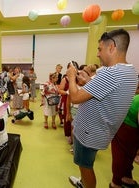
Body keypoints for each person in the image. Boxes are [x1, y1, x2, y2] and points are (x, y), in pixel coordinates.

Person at [68, 29, 137, 188]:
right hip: (101, 131)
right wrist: (88, 82)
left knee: (85, 166)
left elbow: (76, 97)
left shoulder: (110, 74)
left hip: (88, 132)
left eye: (100, 49)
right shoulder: (130, 72)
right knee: (86, 164)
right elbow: (109, 95)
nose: (98, 54)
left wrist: (72, 77)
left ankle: (86, 184)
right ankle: (84, 182)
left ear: (111, 47)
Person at [110, 84, 139, 188]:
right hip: (126, 128)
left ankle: (124, 178)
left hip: (127, 128)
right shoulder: (136, 99)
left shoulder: (134, 98)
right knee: (123, 155)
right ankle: (117, 181)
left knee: (124, 154)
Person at [58, 61, 79, 144]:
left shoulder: (79, 78)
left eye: (74, 67)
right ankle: (69, 136)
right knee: (68, 117)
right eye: (71, 67)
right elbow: (59, 90)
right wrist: (67, 92)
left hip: (77, 101)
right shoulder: (65, 79)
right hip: (67, 99)